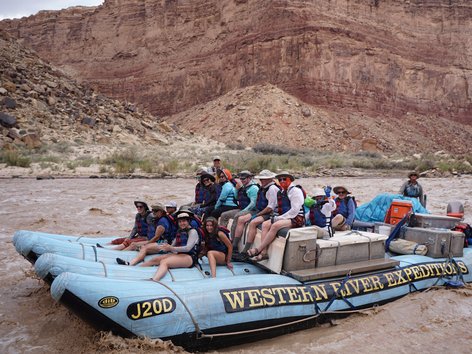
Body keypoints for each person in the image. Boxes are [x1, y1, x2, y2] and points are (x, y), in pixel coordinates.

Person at [247, 171, 305, 261]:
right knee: (265, 224)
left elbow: (294, 211)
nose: (282, 181)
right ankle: (264, 253)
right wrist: (277, 216)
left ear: (290, 180)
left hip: (297, 218)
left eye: (284, 179)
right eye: (280, 179)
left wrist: (279, 218)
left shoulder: (295, 191)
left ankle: (258, 249)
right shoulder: (282, 191)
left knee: (275, 225)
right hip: (284, 217)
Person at [143, 212, 201, 282]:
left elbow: (188, 248)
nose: (182, 223)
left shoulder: (193, 232)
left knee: (164, 262)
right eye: (180, 222)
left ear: (188, 221)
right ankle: (135, 270)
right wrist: (164, 247)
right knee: (155, 260)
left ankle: (155, 280)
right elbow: (172, 246)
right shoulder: (179, 231)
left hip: (190, 257)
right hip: (179, 254)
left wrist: (171, 248)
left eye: (184, 221)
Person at [233, 169, 279, 254]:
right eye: (260, 179)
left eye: (263, 179)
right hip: (259, 210)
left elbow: (270, 208)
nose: (261, 181)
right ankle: (234, 246)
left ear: (269, 179)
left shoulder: (272, 189)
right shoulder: (264, 187)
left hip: (268, 213)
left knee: (253, 223)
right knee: (241, 219)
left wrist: (258, 215)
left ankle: (246, 250)